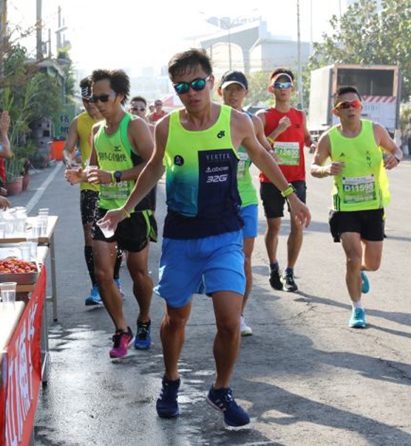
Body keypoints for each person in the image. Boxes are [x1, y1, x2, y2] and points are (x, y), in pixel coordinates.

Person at [99, 49, 311, 427]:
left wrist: (290, 195)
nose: (192, 92)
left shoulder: (237, 122)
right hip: (182, 237)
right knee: (176, 317)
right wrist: (125, 209)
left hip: (225, 234)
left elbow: (263, 157)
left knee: (230, 321)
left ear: (211, 83)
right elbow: (150, 170)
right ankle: (170, 380)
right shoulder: (165, 127)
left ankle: (221, 389)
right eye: (182, 87)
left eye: (198, 84)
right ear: (176, 90)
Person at [65, 69, 157, 358]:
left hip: (135, 209)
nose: (97, 104)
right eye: (94, 98)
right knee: (102, 272)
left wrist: (116, 175)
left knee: (137, 271)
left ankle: (143, 319)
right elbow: (94, 171)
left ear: (120, 96)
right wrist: (80, 176)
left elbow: (153, 167)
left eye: (103, 97)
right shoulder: (95, 131)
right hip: (105, 209)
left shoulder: (136, 127)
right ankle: (121, 329)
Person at [311, 86, 402, 328]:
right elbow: (314, 167)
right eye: (344, 106)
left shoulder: (375, 131)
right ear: (336, 111)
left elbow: (396, 149)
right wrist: (326, 169)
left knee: (372, 263)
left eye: (355, 104)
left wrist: (396, 158)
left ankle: (360, 272)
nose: (351, 108)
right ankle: (357, 309)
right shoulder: (329, 137)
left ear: (361, 107)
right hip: (345, 208)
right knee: (352, 258)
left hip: (373, 206)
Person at [217, 70, 274, 336]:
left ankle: (238, 316)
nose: (233, 94)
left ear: (246, 93)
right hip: (216, 201)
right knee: (217, 258)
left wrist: (271, 151)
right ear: (220, 92)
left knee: (244, 261)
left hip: (246, 199)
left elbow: (263, 149)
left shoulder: (253, 122)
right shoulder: (212, 121)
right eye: (228, 89)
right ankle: (224, 310)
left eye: (238, 89)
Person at [62, 76, 124, 306]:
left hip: (114, 186)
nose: (91, 105)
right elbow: (68, 149)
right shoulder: (78, 122)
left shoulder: (115, 121)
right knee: (90, 234)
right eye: (86, 100)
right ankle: (97, 285)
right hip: (89, 186)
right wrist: (69, 162)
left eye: (94, 99)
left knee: (113, 237)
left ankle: (115, 279)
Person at [257, 68, 315, 292]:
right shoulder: (263, 116)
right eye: (278, 85)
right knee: (274, 226)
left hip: (296, 179)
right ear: (272, 89)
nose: (283, 89)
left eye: (286, 84)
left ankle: (289, 272)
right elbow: (261, 145)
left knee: (297, 226)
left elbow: (306, 136)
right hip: (271, 180)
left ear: (292, 88)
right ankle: (273, 266)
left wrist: (312, 144)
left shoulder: (300, 115)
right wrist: (279, 129)